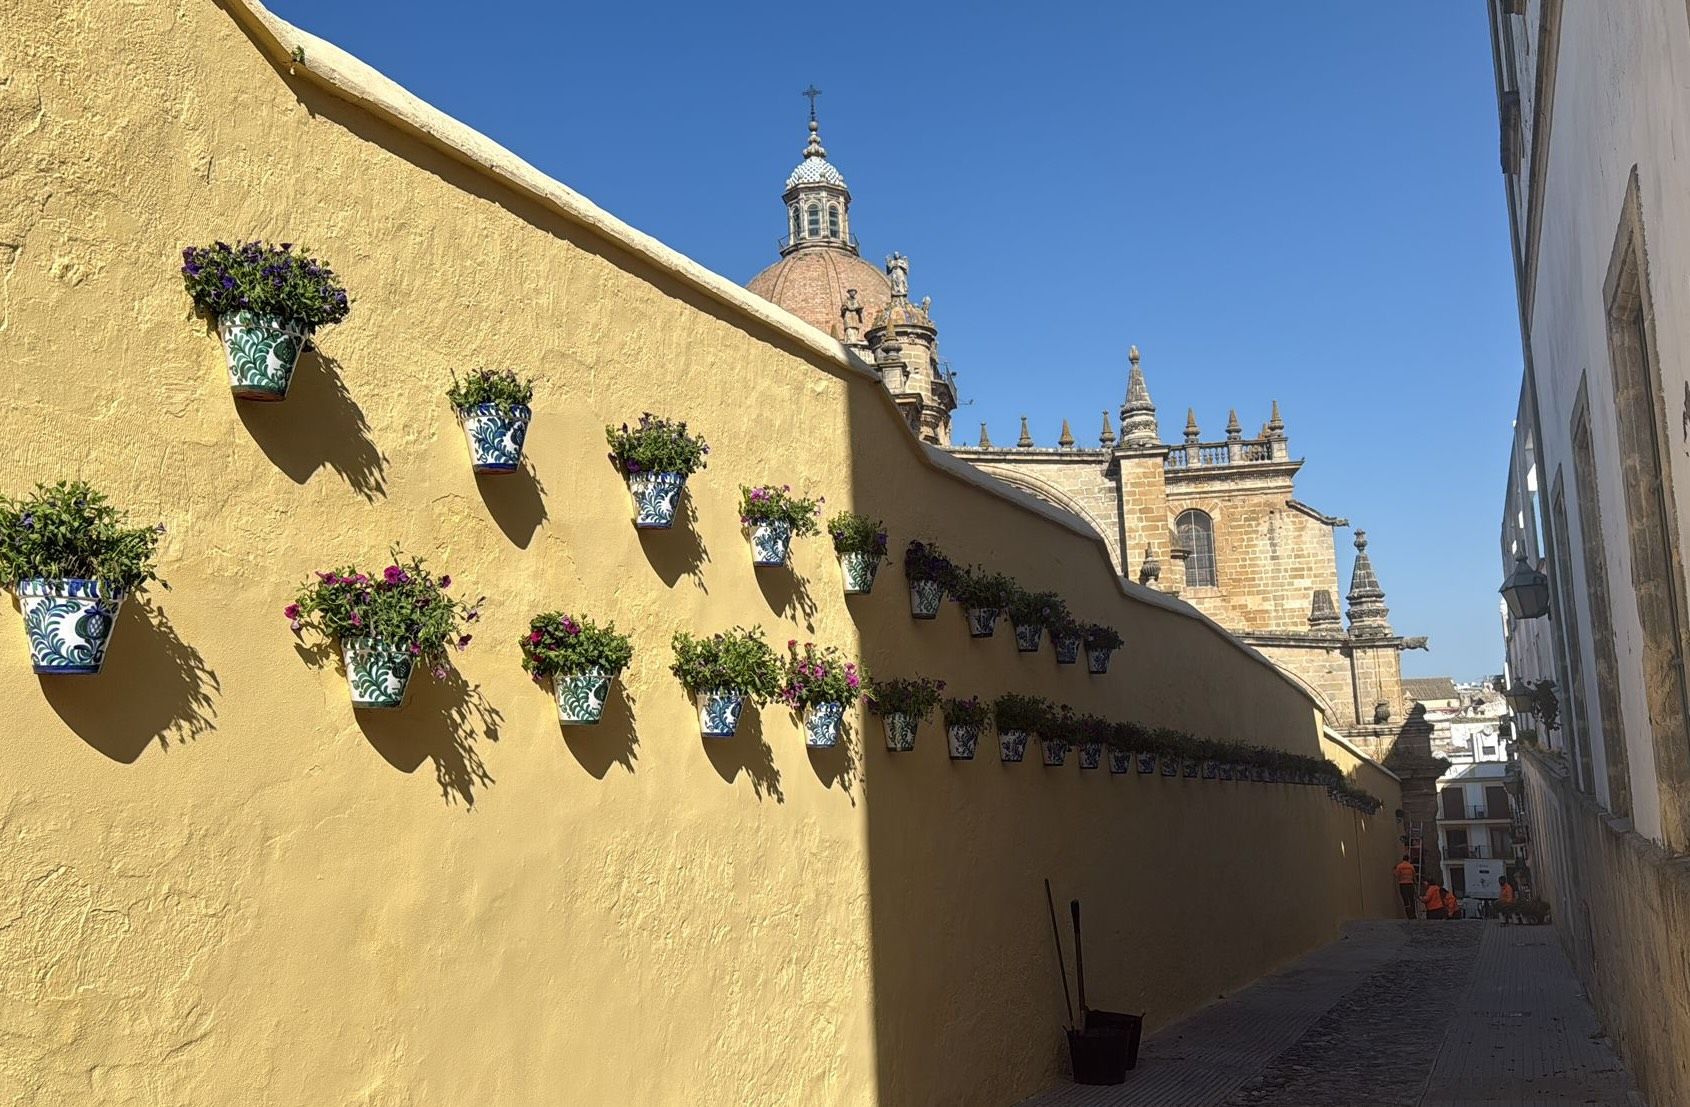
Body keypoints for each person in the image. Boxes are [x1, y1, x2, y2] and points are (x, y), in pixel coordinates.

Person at [1394, 854, 1417, 919]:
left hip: (1403, 884)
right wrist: (1415, 882)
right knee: (1412, 900)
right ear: (1408, 859)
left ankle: (1409, 915)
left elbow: (1396, 875)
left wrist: (1394, 870)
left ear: (1403, 859)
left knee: (1406, 900)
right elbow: (1414, 876)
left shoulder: (1399, 866)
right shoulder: (1411, 866)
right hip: (1410, 884)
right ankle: (1414, 914)